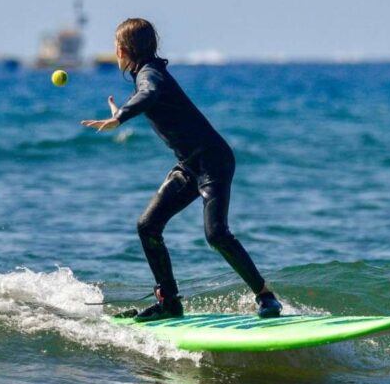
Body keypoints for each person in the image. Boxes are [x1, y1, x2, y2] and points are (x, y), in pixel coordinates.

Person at [81, 18, 282, 322]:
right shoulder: (149, 73)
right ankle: (169, 301)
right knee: (148, 226)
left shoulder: (150, 75)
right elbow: (145, 94)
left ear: (123, 50)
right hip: (190, 166)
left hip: (213, 162)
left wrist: (120, 117)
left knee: (216, 234)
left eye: (116, 47)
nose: (115, 52)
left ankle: (266, 296)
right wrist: (121, 111)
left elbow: (149, 93)